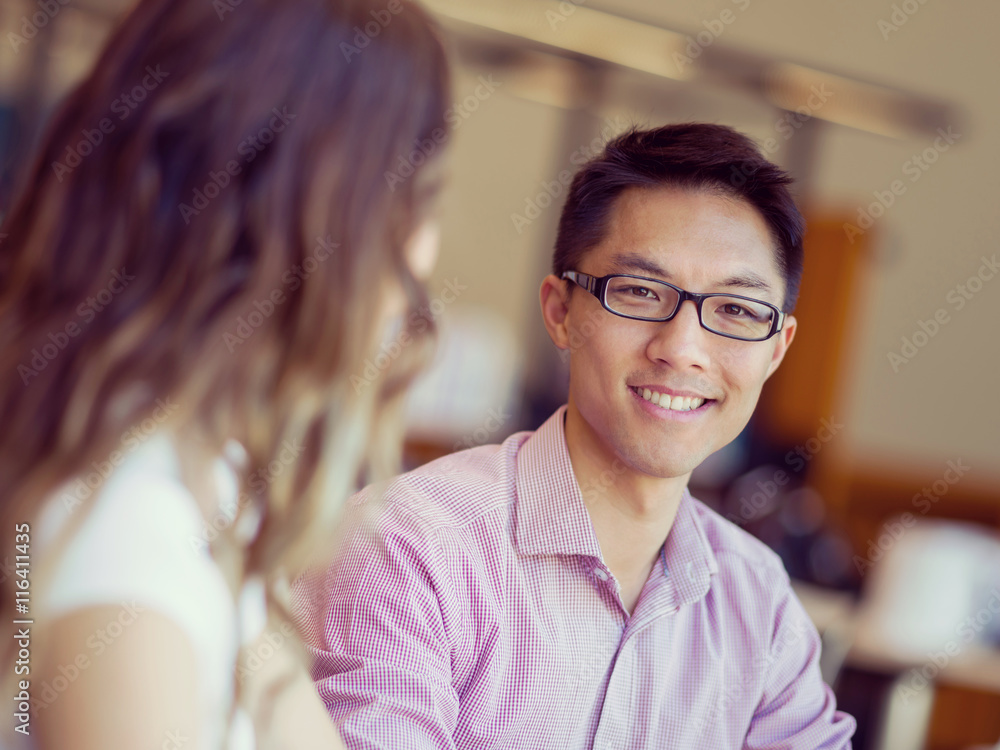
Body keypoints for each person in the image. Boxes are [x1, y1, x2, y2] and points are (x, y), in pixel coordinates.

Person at [293, 123, 857, 748]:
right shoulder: (410, 545)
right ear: (561, 313)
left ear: (777, 351)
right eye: (640, 292)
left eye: (736, 310)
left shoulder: (761, 604)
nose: (682, 349)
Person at [0, 0, 451, 747]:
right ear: (319, 217)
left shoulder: (204, 480)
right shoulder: (126, 544)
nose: (426, 254)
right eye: (417, 197)